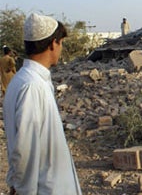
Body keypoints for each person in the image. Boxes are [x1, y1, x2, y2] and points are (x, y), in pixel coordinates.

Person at [3, 13, 82, 195]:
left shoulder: (29, 80)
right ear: (53, 44)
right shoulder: (31, 85)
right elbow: (25, 150)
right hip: (46, 189)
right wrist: (23, 189)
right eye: (61, 43)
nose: (60, 48)